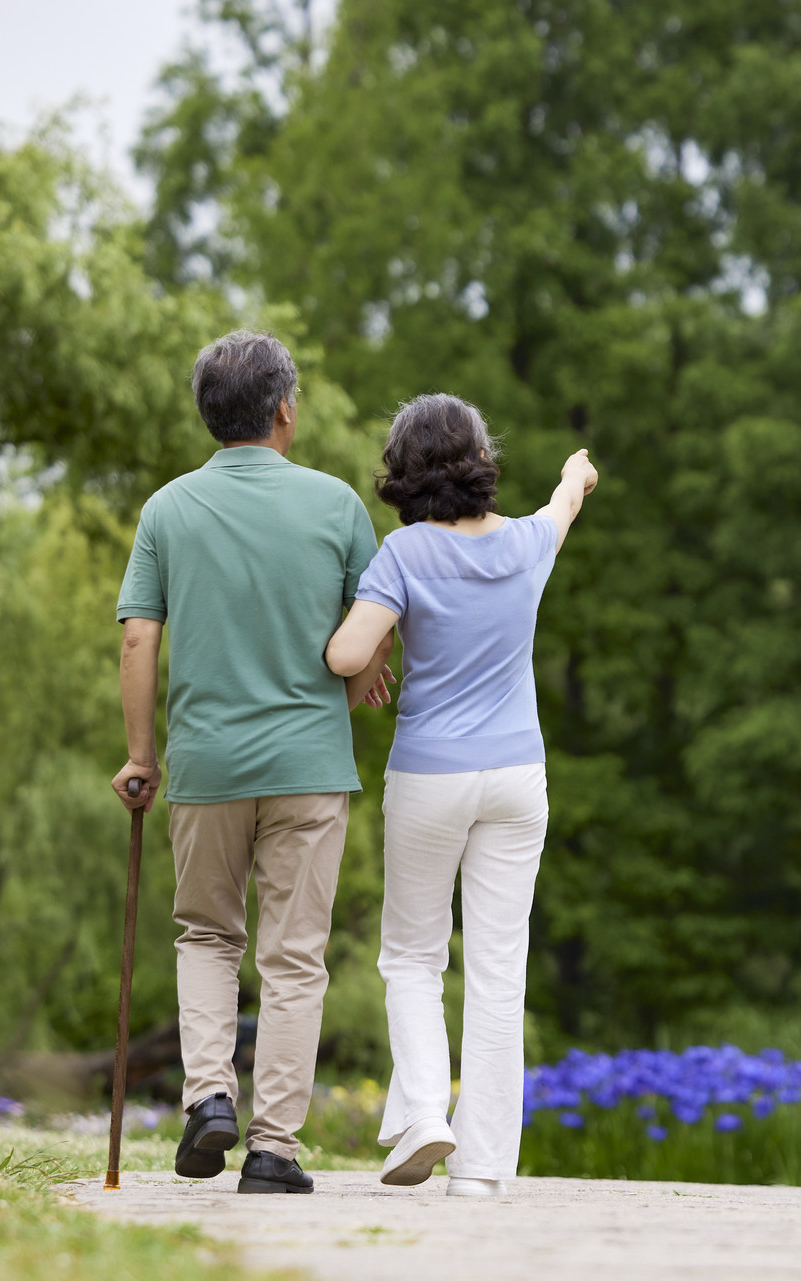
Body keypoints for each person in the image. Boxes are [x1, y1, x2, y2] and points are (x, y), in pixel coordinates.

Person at [113, 330, 394, 1195]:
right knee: (294, 955)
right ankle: (274, 1149)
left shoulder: (167, 510)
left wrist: (140, 756)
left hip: (206, 765)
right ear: (283, 409)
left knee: (206, 934)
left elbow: (138, 637)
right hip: (311, 767)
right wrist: (331, 709)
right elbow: (373, 635)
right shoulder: (337, 504)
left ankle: (207, 1096)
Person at [326, 393, 597, 1197]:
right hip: (518, 778)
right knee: (497, 969)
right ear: (483, 463)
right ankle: (479, 1170)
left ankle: (422, 1115)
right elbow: (564, 501)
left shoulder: (403, 554)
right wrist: (576, 472)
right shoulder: (524, 543)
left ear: (403, 472)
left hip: (431, 774)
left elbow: (345, 654)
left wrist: (376, 649)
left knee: (412, 954)